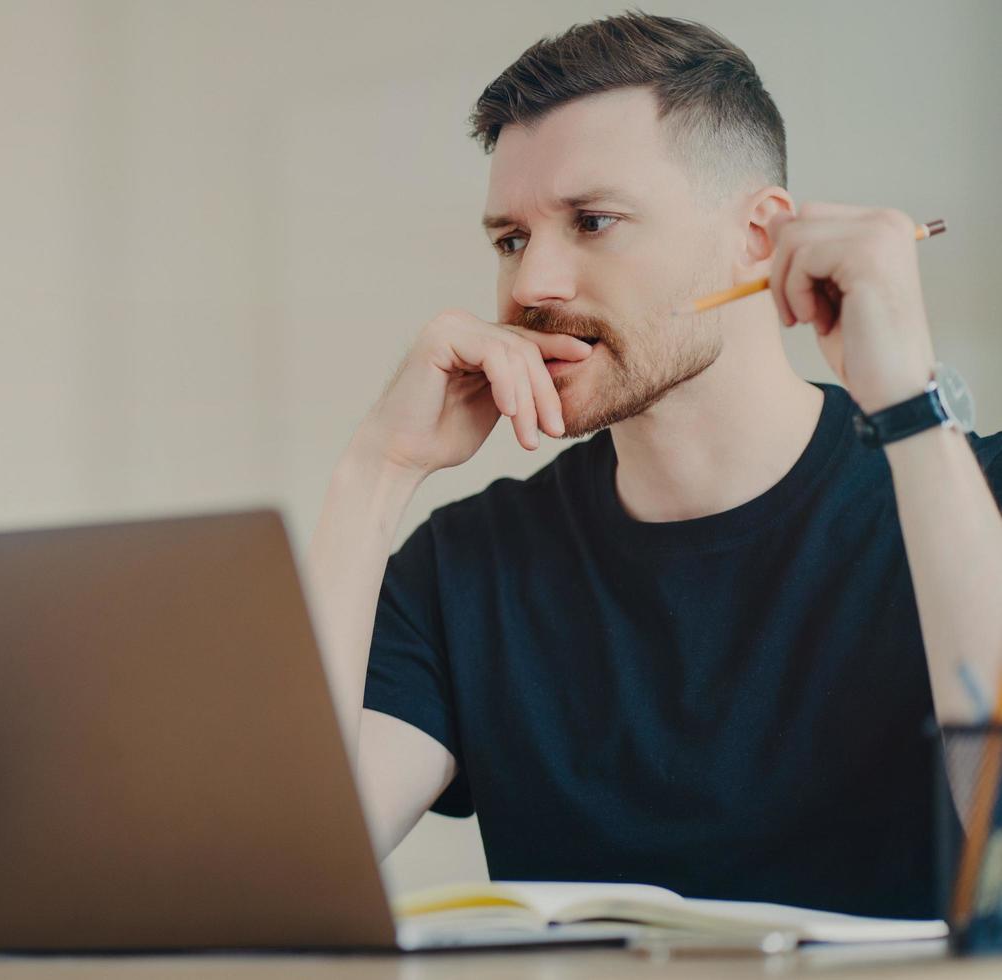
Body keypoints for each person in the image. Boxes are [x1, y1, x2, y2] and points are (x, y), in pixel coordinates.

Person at [303, 11, 1002, 920]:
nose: (532, 286)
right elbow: (281, 877)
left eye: (593, 222)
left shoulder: (967, 493)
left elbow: (994, 829)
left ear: (760, 237)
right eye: (510, 239)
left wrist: (908, 405)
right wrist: (377, 468)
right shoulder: (463, 570)